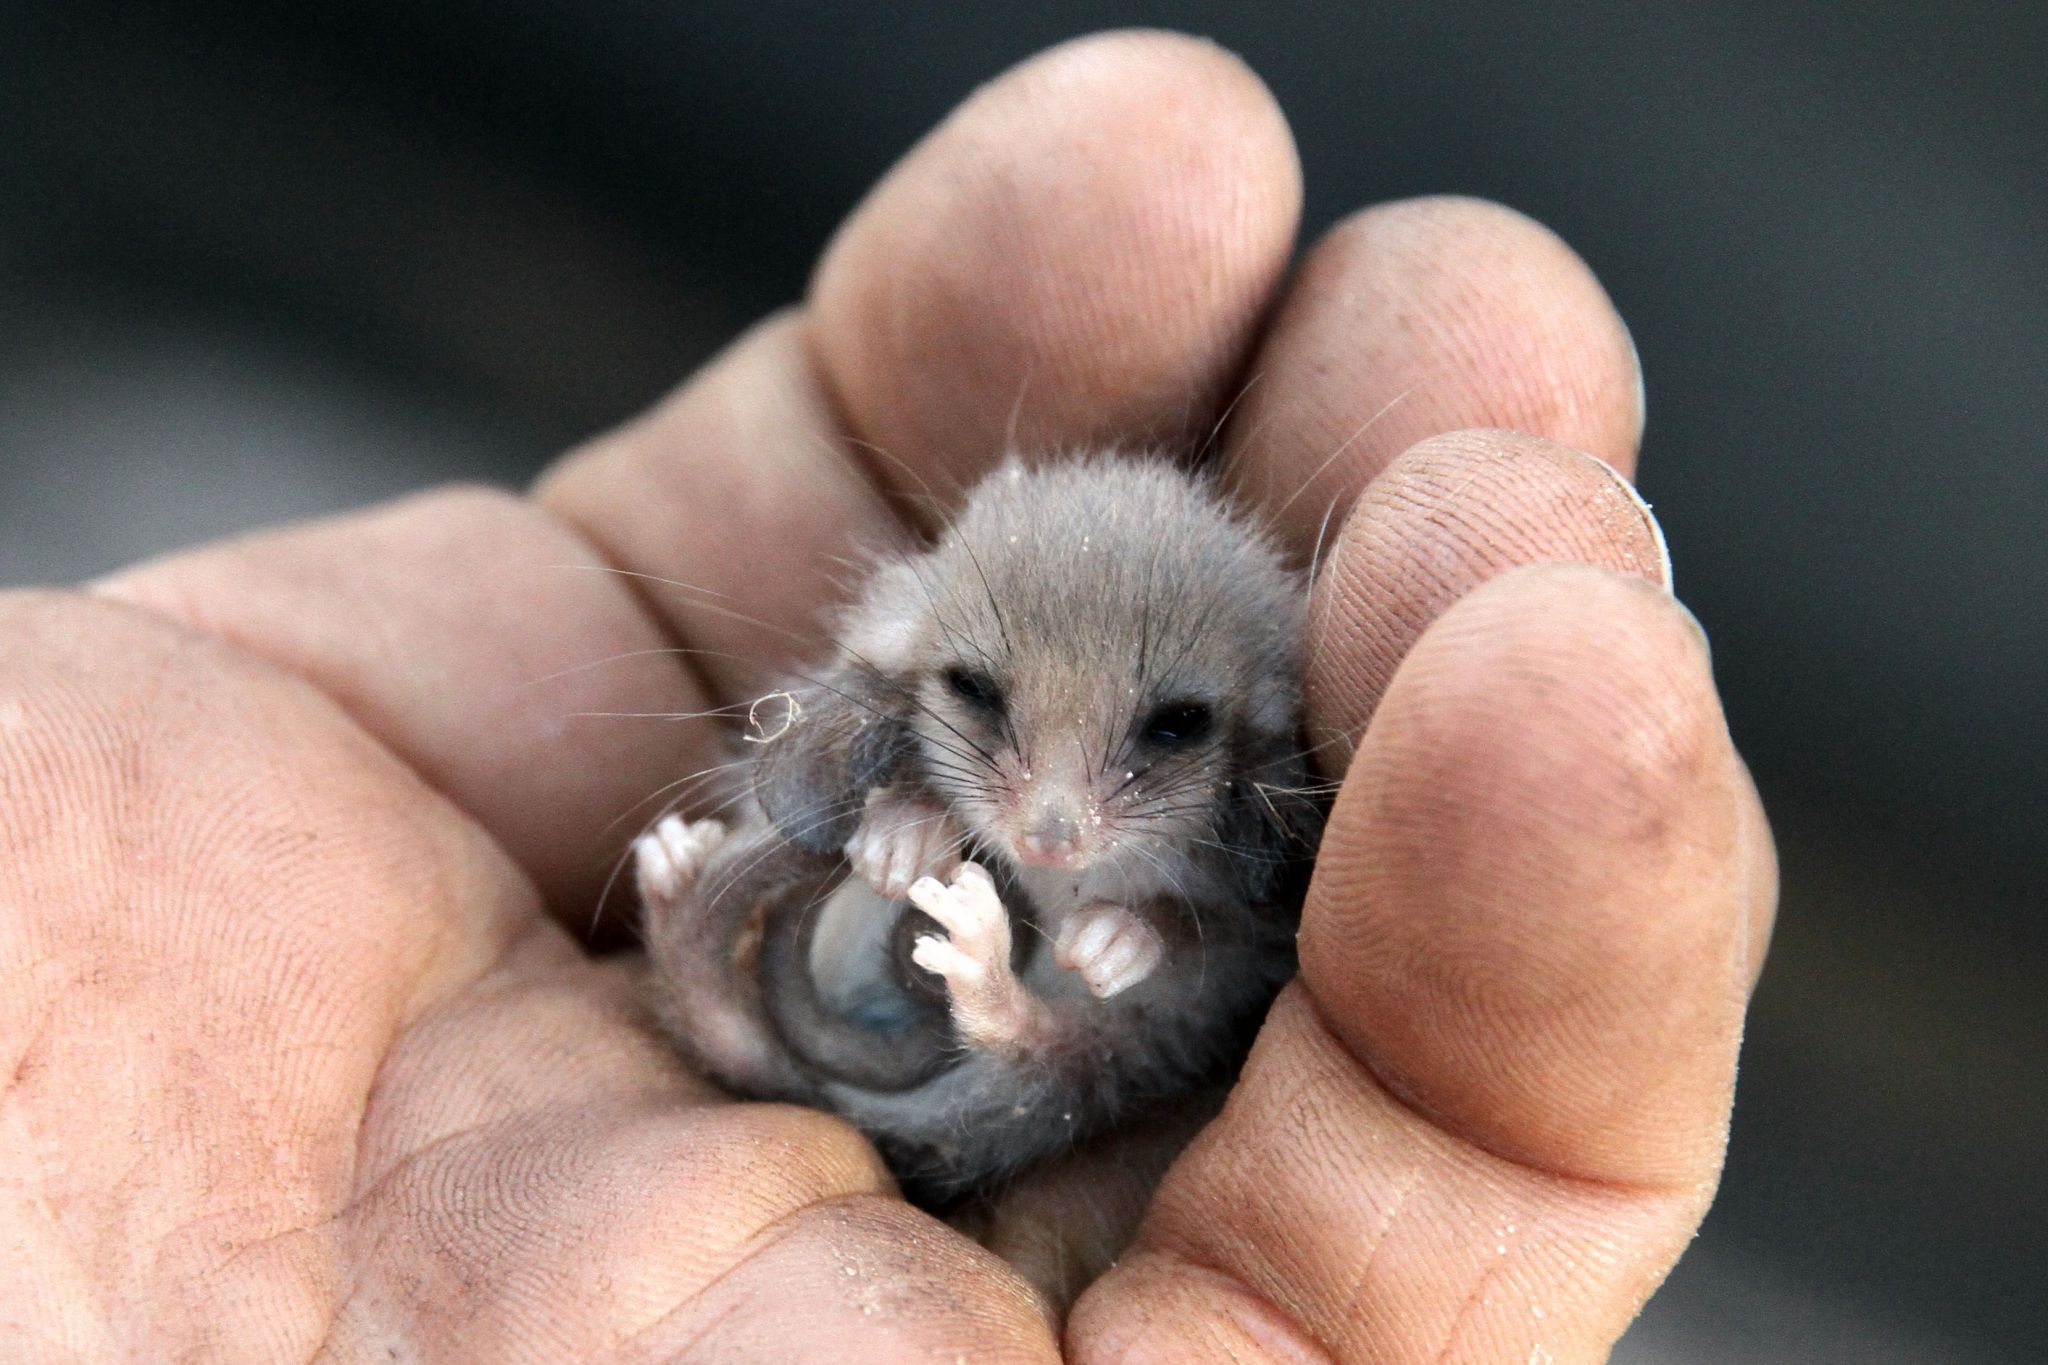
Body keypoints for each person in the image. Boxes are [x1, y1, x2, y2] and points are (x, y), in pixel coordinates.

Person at [0, 30, 1773, 1362]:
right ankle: (726, 983)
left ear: (1230, 715)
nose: (1056, 807)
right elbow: (820, 777)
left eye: (1152, 734)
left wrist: (1055, 988)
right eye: (988, 713)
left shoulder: (1242, 783)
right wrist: (860, 829)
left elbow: (1229, 908)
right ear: (924, 655)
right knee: (819, 887)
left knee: (1140, 998)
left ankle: (993, 1020)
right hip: (852, 976)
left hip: (1054, 1032)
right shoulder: (893, 693)